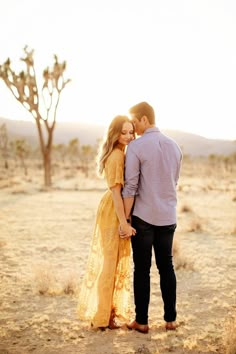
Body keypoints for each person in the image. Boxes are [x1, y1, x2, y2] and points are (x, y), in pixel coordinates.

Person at [122, 102, 182, 334]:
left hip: (143, 218)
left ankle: (142, 321)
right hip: (168, 216)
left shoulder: (136, 147)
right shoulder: (175, 146)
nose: (134, 128)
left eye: (135, 123)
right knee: (167, 266)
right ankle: (171, 320)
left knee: (142, 269)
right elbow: (173, 183)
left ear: (145, 119)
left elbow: (131, 187)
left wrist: (125, 219)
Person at [77, 115, 136, 330]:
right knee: (109, 264)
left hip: (112, 207)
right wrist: (124, 223)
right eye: (124, 132)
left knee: (112, 264)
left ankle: (108, 315)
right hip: (113, 210)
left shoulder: (120, 153)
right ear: (115, 134)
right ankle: (102, 317)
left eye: (131, 132)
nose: (129, 136)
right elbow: (116, 193)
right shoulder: (117, 156)